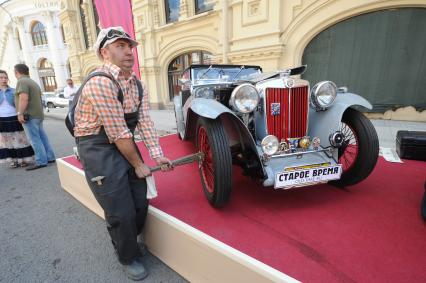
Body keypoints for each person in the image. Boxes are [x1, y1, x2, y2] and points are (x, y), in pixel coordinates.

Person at [74, 26, 173, 281]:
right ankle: (127, 255)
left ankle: (127, 241)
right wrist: (139, 164)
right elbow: (118, 132)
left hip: (122, 141)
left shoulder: (137, 84)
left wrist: (157, 153)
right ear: (105, 52)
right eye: (120, 46)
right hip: (96, 146)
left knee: (140, 200)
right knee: (119, 208)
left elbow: (145, 122)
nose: (128, 51)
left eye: (129, 46)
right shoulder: (99, 82)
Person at [14, 64, 56, 170]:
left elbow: (24, 98)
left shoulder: (21, 81)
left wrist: (20, 113)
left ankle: (41, 161)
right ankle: (50, 157)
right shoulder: (33, 82)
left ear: (16, 72)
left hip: (30, 116)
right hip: (38, 115)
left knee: (34, 139)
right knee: (42, 137)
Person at [0, 70, 34, 168]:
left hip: (14, 118)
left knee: (19, 139)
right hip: (1, 119)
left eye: (5, 78)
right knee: (7, 141)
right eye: (1, 78)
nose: (4, 80)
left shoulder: (14, 91)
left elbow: (20, 104)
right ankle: (13, 161)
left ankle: (23, 160)